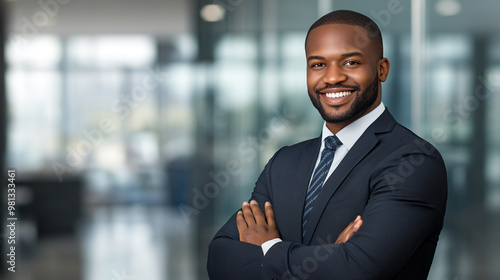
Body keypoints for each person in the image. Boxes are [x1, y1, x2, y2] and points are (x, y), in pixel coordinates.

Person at [207, 10, 447, 280]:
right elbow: (220, 258)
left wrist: (269, 247)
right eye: (318, 64)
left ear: (382, 69)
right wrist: (331, 257)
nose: (332, 78)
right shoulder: (284, 163)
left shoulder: (413, 161)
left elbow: (358, 270)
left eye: (351, 63)